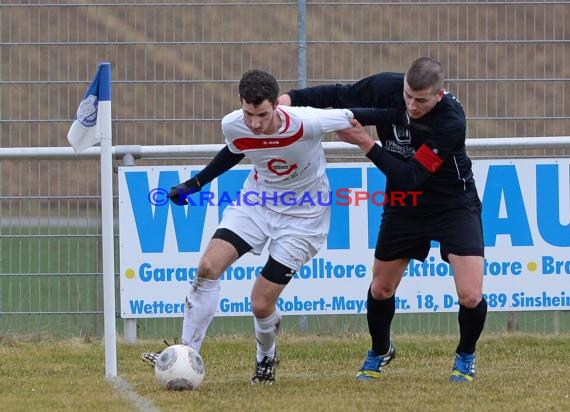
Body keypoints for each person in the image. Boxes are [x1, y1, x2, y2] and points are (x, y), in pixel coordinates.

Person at [279, 57, 487, 383]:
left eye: (421, 100)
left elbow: (410, 176)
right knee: (381, 288)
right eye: (408, 96)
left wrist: (365, 142)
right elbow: (339, 95)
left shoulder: (451, 120)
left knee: (470, 295)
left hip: (453, 204)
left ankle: (465, 355)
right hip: (405, 206)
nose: (412, 105)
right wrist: (291, 99)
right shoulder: (386, 87)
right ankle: (380, 349)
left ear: (439, 95)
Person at [141, 69, 355, 384]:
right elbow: (234, 151)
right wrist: (194, 184)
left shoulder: (308, 122)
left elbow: (358, 113)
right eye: (249, 113)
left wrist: (409, 114)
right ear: (241, 103)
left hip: (304, 218)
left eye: (262, 115)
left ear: (277, 106)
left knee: (260, 302)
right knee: (208, 267)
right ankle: (186, 354)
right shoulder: (233, 124)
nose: (255, 123)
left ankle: (265, 360)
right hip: (256, 203)